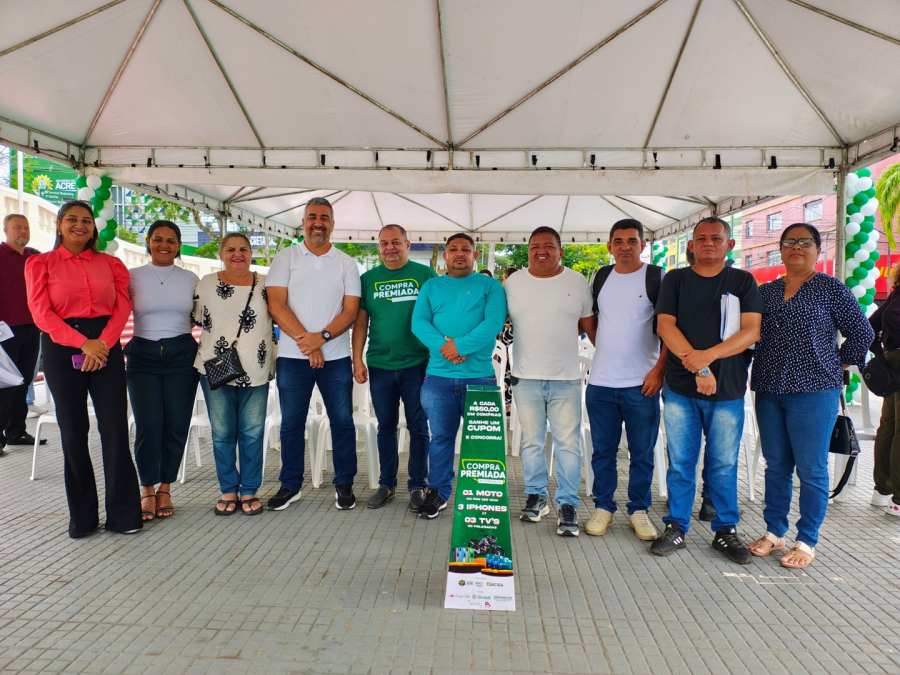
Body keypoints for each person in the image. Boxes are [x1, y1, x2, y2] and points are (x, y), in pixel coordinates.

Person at [748, 224, 872, 567]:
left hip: (814, 390)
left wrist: (837, 363)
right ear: (781, 249)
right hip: (769, 388)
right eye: (789, 242)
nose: (796, 247)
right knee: (776, 465)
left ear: (818, 249)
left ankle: (807, 540)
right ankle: (775, 531)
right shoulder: (766, 292)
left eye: (805, 242)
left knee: (811, 468)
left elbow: (862, 333)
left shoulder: (831, 289)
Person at [24, 200, 142, 538]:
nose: (80, 225)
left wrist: (101, 343)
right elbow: (41, 313)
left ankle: (124, 516)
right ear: (59, 225)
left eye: (87, 220)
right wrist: (82, 343)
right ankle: (83, 519)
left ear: (94, 228)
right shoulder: (40, 263)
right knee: (73, 431)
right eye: (72, 219)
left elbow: (122, 307)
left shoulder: (112, 264)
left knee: (115, 428)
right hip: (62, 347)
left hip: (105, 343)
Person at [651, 217, 764, 563]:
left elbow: (751, 331)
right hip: (681, 389)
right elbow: (665, 327)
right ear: (691, 245)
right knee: (681, 462)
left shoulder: (743, 281)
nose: (708, 243)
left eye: (716, 238)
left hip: (727, 389)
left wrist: (709, 357)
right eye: (701, 238)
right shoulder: (676, 280)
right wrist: (700, 368)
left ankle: (725, 530)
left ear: (730, 245)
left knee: (723, 464)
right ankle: (676, 527)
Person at [266, 198, 361, 511]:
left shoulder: (346, 263)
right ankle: (290, 485)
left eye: (324, 218)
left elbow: (351, 311)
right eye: (312, 217)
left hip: (336, 358)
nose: (317, 223)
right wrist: (308, 344)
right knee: (291, 424)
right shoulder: (285, 257)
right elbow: (276, 305)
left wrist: (321, 339)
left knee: (342, 422)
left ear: (332, 224)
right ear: (303, 222)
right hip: (293, 358)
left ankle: (344, 483)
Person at [505, 227, 593, 536]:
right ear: (528, 250)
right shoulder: (513, 282)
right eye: (535, 246)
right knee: (531, 442)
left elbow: (587, 325)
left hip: (565, 379)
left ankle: (567, 503)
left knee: (568, 445)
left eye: (548, 246)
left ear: (560, 251)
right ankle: (536, 496)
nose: (541, 251)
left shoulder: (577, 281)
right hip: (525, 377)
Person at [411, 233, 506, 518]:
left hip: (480, 379)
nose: (459, 253)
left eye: (466, 249)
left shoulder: (490, 286)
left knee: (481, 441)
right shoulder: (431, 286)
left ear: (475, 255)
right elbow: (419, 323)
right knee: (440, 438)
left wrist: (460, 346)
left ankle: (481, 495)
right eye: (453, 249)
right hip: (438, 378)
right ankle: (438, 492)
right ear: (446, 255)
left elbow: (493, 322)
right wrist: (447, 348)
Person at [582, 219, 666, 541]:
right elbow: (592, 321)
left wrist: (658, 371)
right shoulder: (601, 277)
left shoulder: (657, 277)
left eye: (632, 241)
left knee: (641, 453)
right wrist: (605, 349)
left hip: (641, 384)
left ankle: (639, 510)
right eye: (618, 241)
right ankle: (603, 507)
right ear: (609, 246)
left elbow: (669, 328)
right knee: (602, 452)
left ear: (643, 245)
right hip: (601, 383)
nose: (625, 247)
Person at [352, 224, 436, 511]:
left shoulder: (425, 275)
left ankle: (417, 485)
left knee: (418, 427)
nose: (390, 247)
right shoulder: (368, 279)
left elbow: (437, 316)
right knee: (385, 427)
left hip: (418, 364)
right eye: (384, 243)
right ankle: (386, 484)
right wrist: (357, 359)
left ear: (407, 245)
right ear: (379, 247)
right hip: (380, 365)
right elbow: (361, 323)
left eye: (396, 242)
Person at [193, 232, 275, 516]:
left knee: (252, 432)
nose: (237, 254)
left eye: (243, 249)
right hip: (215, 368)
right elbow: (197, 317)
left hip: (256, 368)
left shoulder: (267, 284)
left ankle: (250, 489)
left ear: (251, 253)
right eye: (230, 249)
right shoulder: (205, 284)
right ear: (221, 254)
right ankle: (228, 488)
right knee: (222, 432)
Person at [125, 221, 199, 521]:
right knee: (148, 424)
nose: (164, 245)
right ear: (148, 241)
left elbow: (201, 315)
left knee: (176, 424)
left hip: (182, 354)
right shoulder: (131, 276)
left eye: (171, 240)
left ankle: (165, 488)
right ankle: (147, 489)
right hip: (142, 356)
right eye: (158, 239)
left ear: (179, 245)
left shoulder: (191, 278)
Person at [0, 214, 43, 455]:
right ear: (6, 230)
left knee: (24, 381)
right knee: (4, 384)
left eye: (26, 228)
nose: (23, 231)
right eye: (17, 227)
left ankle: (17, 431)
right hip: (4, 331)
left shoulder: (34, 258)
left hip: (32, 327)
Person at [866, 263, 900, 517]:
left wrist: (882, 353)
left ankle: (883, 490)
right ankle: (898, 500)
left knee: (889, 426)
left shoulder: (896, 294)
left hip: (892, 361)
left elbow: (871, 325)